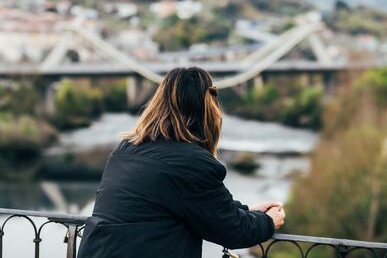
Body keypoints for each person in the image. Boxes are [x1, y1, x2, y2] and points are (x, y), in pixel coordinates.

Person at [78, 67, 285, 258]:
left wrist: (247, 210)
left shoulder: (126, 149)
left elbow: (189, 204)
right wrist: (268, 222)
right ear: (206, 108)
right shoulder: (191, 163)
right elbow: (232, 230)